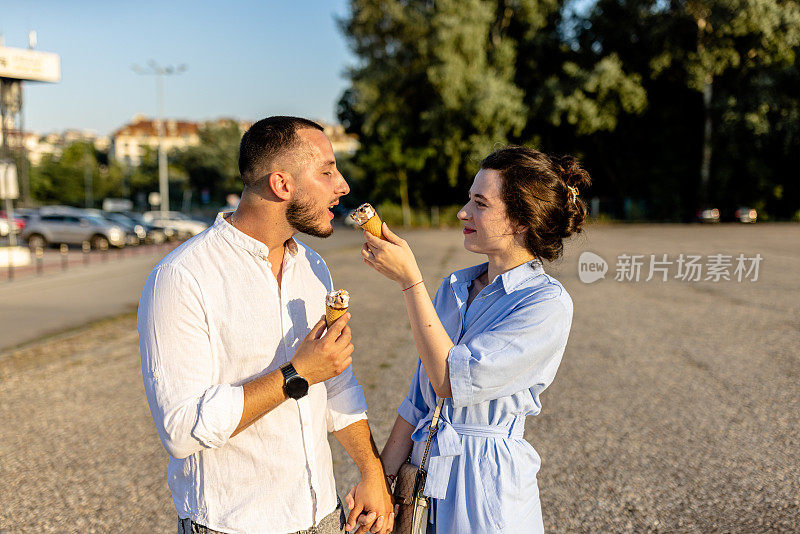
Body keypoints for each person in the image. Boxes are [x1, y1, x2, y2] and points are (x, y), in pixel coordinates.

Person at [138, 116, 394, 534]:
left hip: (322, 514)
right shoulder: (182, 277)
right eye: (327, 171)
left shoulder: (313, 267)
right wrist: (296, 373)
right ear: (281, 184)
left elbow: (336, 383)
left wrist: (371, 472)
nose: (343, 185)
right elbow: (181, 430)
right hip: (234, 524)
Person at [353, 146, 590, 533]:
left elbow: (450, 380)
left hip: (485, 484)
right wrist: (380, 480)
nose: (463, 212)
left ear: (521, 220)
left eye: (480, 203)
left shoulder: (546, 304)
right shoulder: (455, 287)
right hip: (425, 473)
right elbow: (419, 399)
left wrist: (410, 281)